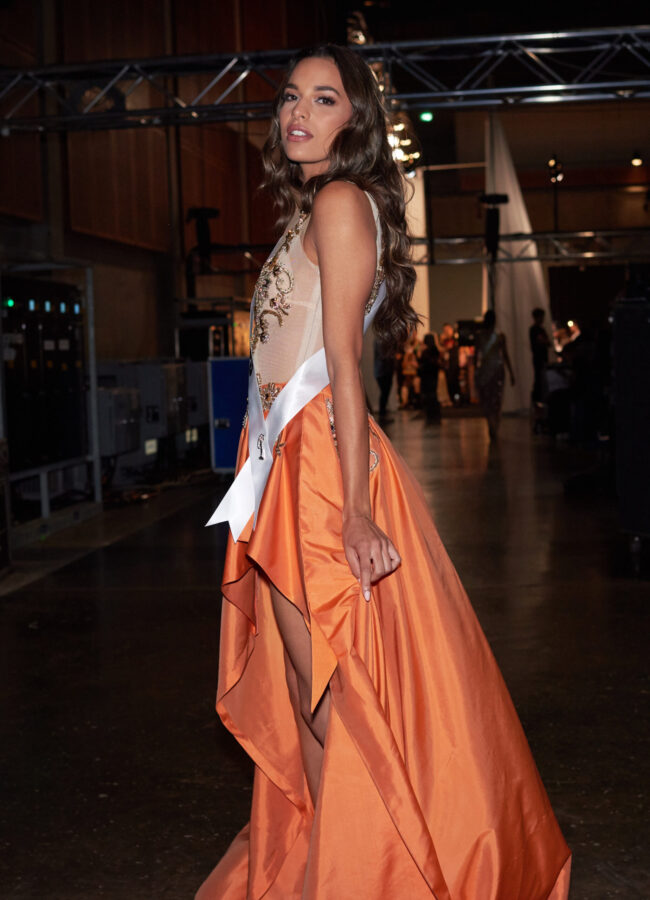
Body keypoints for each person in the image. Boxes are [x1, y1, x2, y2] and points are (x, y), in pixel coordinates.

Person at [198, 45, 570, 899]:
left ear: (355, 121)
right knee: (309, 691)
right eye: (291, 97)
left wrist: (357, 510)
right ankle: (346, 862)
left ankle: (361, 875)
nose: (298, 112)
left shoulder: (337, 199)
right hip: (282, 464)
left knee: (329, 694)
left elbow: (341, 358)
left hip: (320, 466)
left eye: (323, 100)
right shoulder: (316, 205)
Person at [475, 308, 516, 441]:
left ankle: (490, 425)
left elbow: (476, 358)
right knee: (496, 399)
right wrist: (511, 373)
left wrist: (476, 373)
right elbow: (506, 355)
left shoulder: (479, 336)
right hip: (498, 369)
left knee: (487, 399)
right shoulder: (500, 336)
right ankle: (495, 426)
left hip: (485, 369)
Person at [530, 307, 551, 432]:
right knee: (539, 384)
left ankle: (540, 410)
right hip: (539, 360)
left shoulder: (538, 330)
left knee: (540, 384)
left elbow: (546, 342)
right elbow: (545, 342)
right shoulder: (535, 330)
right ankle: (539, 409)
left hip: (540, 360)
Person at [417, 333, 441, 424]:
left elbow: (423, 363)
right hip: (433, 375)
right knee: (433, 395)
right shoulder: (435, 351)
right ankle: (435, 414)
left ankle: (430, 415)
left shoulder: (426, 351)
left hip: (426, 376)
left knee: (428, 395)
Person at [373, 336, 394, 421]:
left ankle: (383, 414)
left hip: (385, 370)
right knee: (384, 393)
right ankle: (382, 415)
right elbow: (383, 356)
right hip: (382, 371)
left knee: (385, 393)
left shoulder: (382, 340)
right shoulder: (379, 341)